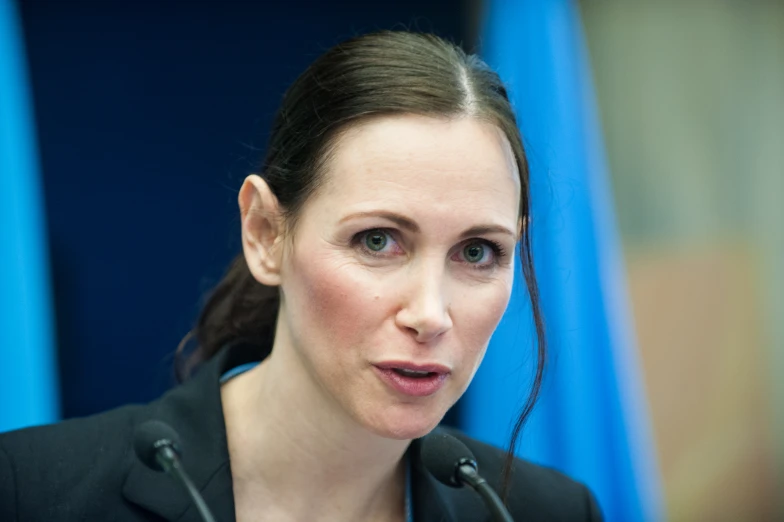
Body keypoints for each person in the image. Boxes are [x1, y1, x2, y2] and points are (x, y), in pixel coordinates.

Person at [0, 30, 602, 521]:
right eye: (377, 241)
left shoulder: (544, 511)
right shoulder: (33, 492)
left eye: (477, 253)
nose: (430, 314)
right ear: (265, 233)